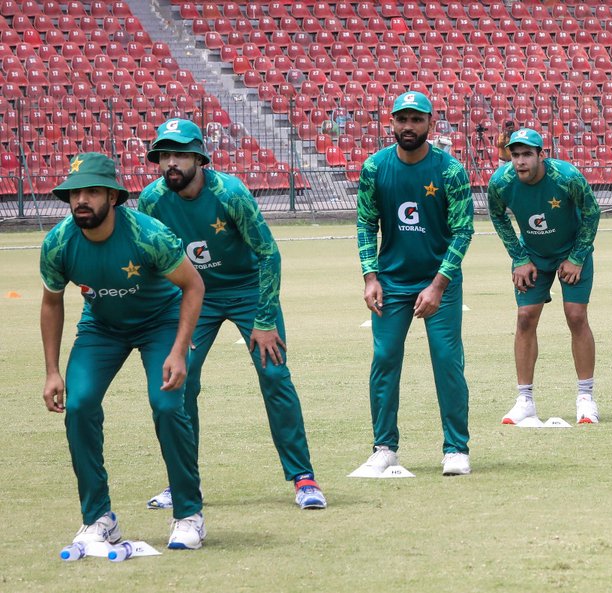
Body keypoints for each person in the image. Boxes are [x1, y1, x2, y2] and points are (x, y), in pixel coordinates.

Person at [137, 118, 326, 511]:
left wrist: (264, 319)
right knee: (177, 383)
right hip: (192, 295)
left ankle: (304, 478)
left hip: (246, 289)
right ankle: (182, 483)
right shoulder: (152, 200)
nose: (171, 162)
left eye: (180, 154)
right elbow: (155, 263)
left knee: (274, 374)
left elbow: (269, 254)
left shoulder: (231, 193)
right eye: (165, 155)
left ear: (200, 159)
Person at [40, 153, 208, 550]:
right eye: (76, 192)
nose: (82, 199)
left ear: (113, 197)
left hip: (160, 322)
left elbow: (194, 285)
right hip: (102, 328)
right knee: (79, 407)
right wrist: (51, 370)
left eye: (93, 192)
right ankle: (99, 518)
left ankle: (189, 515)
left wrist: (180, 350)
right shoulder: (58, 242)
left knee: (167, 405)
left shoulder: (149, 234)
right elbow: (51, 302)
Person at [355, 91, 475, 476]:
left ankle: (456, 448)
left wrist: (438, 285)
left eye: (416, 119)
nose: (408, 126)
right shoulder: (374, 168)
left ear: (430, 124)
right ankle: (384, 446)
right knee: (385, 360)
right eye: (401, 119)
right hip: (390, 282)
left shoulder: (450, 170)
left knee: (446, 361)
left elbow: (463, 231)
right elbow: (364, 224)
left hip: (439, 279)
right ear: (391, 123)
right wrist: (370, 276)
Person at [487, 128, 601, 424]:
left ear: (541, 155)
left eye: (527, 154)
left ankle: (585, 397)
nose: (521, 161)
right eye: (515, 155)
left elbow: (592, 212)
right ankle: (524, 400)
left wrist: (577, 257)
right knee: (525, 317)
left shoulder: (567, 177)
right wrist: (519, 257)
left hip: (572, 250)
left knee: (576, 316)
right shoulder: (501, 182)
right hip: (532, 254)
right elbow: (497, 216)